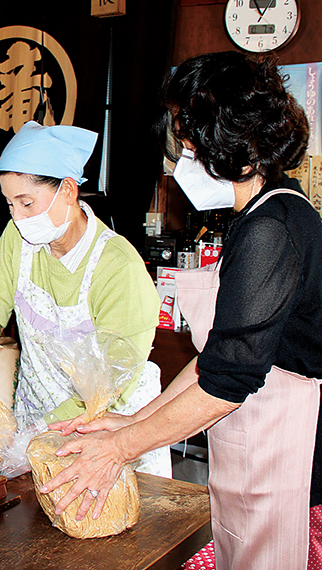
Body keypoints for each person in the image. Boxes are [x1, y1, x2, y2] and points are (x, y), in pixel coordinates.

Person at [41, 51, 322, 570]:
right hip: (260, 441)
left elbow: (226, 383)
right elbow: (217, 358)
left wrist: (122, 447)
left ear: (229, 142)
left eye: (190, 145)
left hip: (297, 464)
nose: (181, 158)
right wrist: (133, 420)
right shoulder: (260, 213)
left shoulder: (273, 230)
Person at [0, 121, 170, 477]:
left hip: (109, 433)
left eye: (27, 203)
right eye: (9, 204)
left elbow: (111, 379)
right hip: (34, 424)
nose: (17, 217)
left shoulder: (117, 265)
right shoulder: (17, 242)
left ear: (68, 189)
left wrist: (43, 433)